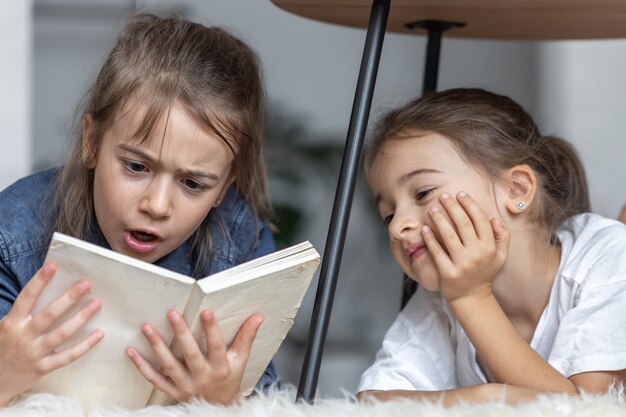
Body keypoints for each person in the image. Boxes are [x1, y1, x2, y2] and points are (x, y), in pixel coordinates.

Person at [0, 13, 278, 407]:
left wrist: (222, 400)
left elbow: (269, 397)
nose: (157, 205)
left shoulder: (241, 241)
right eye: (135, 166)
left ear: (224, 188)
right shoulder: (12, 236)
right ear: (92, 141)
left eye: (193, 184)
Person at [357, 88, 626, 405]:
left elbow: (587, 409)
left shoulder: (608, 256)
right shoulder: (437, 301)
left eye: (423, 193)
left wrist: (471, 297)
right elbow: (372, 401)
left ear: (516, 189)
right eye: (388, 215)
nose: (398, 226)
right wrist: (485, 397)